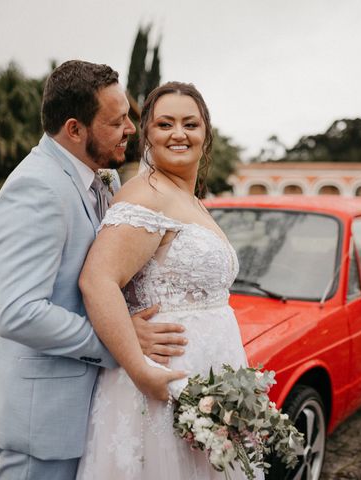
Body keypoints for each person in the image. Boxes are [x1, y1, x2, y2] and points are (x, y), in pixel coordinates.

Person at [0, 61, 187, 480]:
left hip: (91, 411)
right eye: (117, 121)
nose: (132, 129)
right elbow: (18, 312)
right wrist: (121, 337)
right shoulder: (36, 188)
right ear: (74, 130)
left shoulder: (102, 180)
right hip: (44, 420)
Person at [75, 82, 264, 479]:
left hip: (210, 376)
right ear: (147, 135)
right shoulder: (146, 196)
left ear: (205, 133)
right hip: (162, 382)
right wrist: (140, 370)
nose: (179, 133)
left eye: (190, 123)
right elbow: (97, 280)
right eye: (165, 123)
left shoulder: (191, 199)